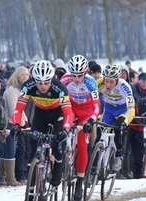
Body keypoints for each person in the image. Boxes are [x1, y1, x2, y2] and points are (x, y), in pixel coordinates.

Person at [11, 60, 74, 188]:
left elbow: (68, 113)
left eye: (46, 82)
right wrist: (16, 124)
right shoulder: (28, 86)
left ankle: (57, 168)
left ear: (52, 79)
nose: (43, 86)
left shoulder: (60, 88)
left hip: (58, 114)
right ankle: (33, 179)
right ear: (34, 80)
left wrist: (66, 129)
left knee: (57, 143)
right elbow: (18, 109)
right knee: (33, 144)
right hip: (40, 113)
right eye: (39, 83)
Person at [60, 55, 100, 200]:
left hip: (86, 111)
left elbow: (96, 107)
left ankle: (80, 182)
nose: (76, 79)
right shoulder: (65, 79)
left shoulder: (91, 83)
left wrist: (91, 121)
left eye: (79, 75)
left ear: (85, 73)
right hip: (71, 108)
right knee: (63, 128)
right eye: (74, 75)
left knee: (83, 145)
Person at [97, 63, 135, 172]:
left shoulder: (124, 86)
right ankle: (94, 167)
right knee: (99, 134)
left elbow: (131, 109)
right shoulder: (99, 83)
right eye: (106, 81)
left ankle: (118, 156)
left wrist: (125, 122)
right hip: (109, 110)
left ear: (117, 80)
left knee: (118, 128)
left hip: (122, 110)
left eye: (111, 82)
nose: (108, 85)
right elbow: (91, 99)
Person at [0, 67, 30, 186]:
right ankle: (13, 177)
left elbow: (22, 110)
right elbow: (14, 110)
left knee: (23, 149)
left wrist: (25, 121)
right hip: (12, 123)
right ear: (17, 76)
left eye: (27, 75)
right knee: (14, 150)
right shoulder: (12, 90)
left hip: (20, 123)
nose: (25, 77)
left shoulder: (20, 91)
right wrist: (23, 123)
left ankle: (18, 175)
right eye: (23, 74)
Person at [129, 72, 146, 179]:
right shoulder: (133, 89)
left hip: (140, 125)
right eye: (143, 80)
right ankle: (130, 171)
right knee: (128, 150)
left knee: (139, 150)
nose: (145, 83)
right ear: (139, 80)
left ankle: (138, 172)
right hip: (130, 123)